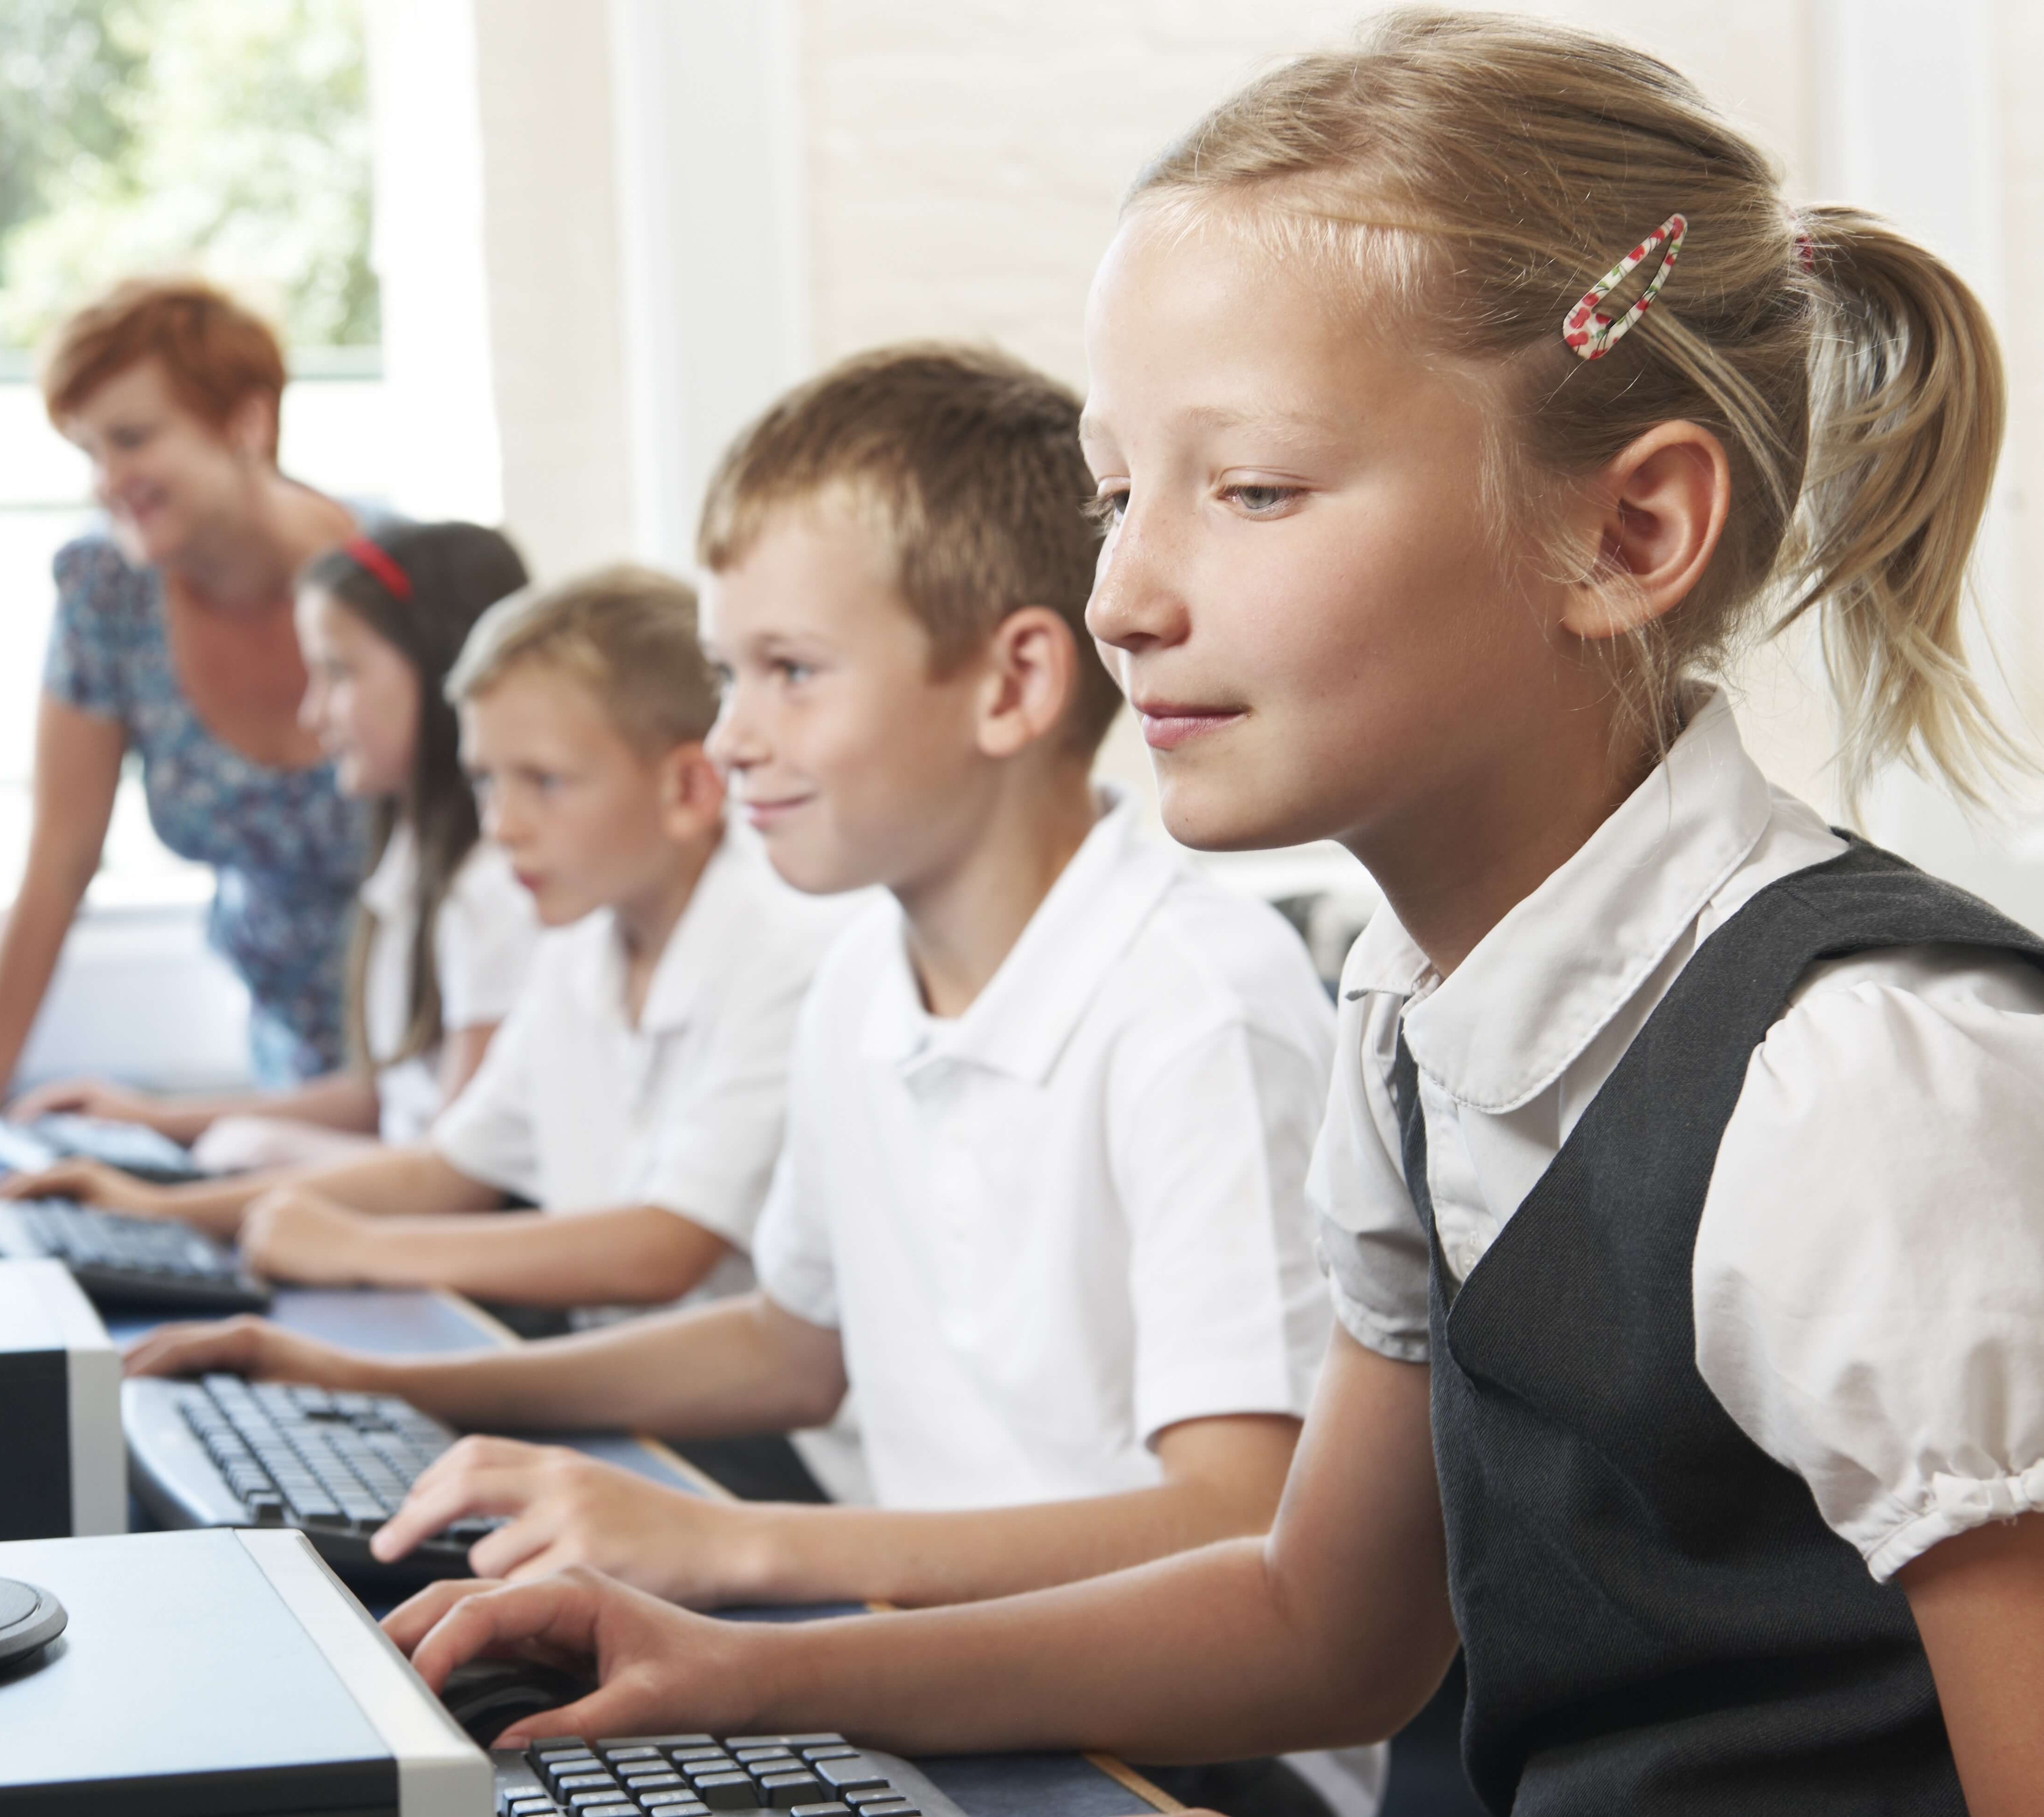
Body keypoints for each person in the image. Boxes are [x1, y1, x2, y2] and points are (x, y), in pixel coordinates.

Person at [372, 15, 2044, 1813]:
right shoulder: (1412, 1015)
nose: (1122, 596)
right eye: (1116, 494)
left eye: (1250, 489)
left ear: (1626, 534)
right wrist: (742, 1668)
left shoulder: (1859, 1085)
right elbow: (1322, 1624)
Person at [126, 344, 1372, 1815]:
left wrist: (735, 1550)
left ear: (1014, 682)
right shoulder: (864, 975)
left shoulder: (1194, 1006)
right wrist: (383, 1384)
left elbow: (1236, 1521)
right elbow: (794, 1343)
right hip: (950, 1663)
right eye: (728, 676)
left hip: (1190, 1749)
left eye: (790, 672)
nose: (729, 738)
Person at [16, 566, 848, 1331]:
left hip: (746, 1417)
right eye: (486, 780)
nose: (502, 825)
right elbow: (446, 1169)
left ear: (689, 788)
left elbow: (664, 1247)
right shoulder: (580, 947)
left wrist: (361, 1249)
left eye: (544, 781)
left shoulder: (783, 949)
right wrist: (155, 1212)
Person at [0, 275, 378, 1125]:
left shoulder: (399, 583)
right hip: (285, 1073)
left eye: (132, 438)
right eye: (89, 452)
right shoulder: (107, 592)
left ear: (247, 423)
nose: (108, 480)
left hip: (443, 1057)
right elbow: (58, 863)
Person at [10, 522, 540, 1173]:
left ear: (440, 672)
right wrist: (154, 1120)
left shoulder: (491, 891)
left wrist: (198, 1189)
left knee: (242, 1153)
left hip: (430, 1216)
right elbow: (385, 1095)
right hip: (401, 1195)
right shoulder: (408, 864)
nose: (313, 714)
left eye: (338, 673)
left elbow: (453, 1175)